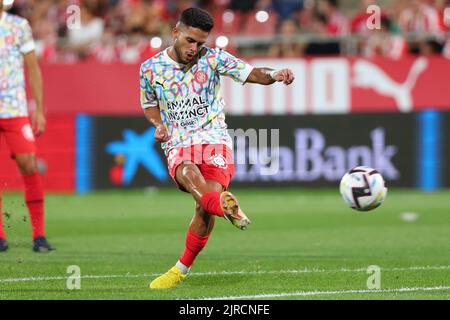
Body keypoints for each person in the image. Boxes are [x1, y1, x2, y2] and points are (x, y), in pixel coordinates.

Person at [140, 7, 294, 289]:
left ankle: (181, 269)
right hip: (179, 142)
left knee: (204, 207)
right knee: (187, 172)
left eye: (200, 43)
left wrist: (275, 73)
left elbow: (252, 73)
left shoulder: (213, 59)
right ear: (175, 32)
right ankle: (226, 208)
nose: (194, 48)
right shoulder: (150, 69)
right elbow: (149, 104)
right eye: (189, 41)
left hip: (214, 140)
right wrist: (157, 124)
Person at [0, 0, 54, 252]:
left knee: (29, 164)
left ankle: (39, 236)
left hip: (14, 108)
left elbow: (33, 67)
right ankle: (0, 237)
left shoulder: (18, 25)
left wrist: (39, 109)